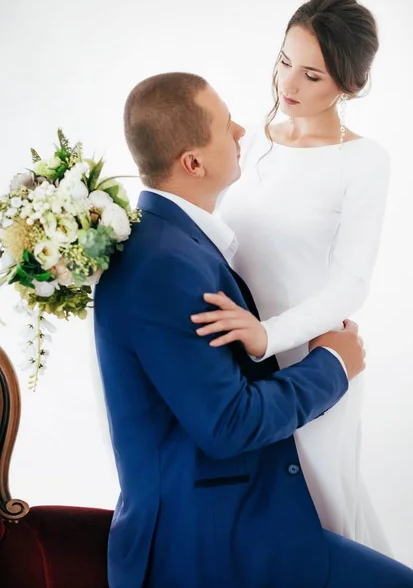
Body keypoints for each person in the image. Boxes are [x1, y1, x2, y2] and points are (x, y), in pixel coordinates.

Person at [94, 72, 413, 587]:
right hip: (205, 541)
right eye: (224, 125)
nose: (243, 130)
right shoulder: (164, 265)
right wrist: (334, 364)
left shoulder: (170, 241)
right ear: (192, 162)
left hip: (231, 511)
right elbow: (230, 424)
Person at [195, 0, 391, 553]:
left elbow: (352, 282)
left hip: (311, 358)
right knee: (250, 511)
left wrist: (270, 336)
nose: (289, 83)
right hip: (230, 357)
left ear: (348, 85)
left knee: (325, 507)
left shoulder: (364, 161)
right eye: (284, 61)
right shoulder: (249, 143)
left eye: (311, 74)